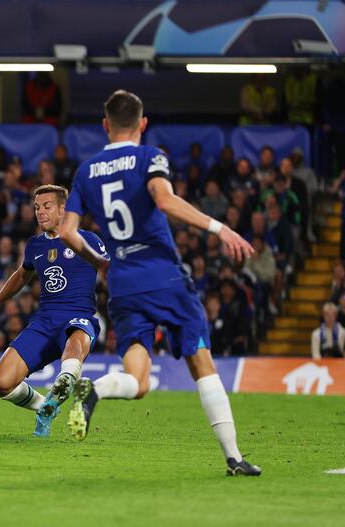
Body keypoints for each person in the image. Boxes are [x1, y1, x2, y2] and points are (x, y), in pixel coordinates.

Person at [59, 89, 261, 476]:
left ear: (105, 125)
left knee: (139, 380)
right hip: (164, 276)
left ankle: (97, 389)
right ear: (142, 124)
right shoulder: (150, 157)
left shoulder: (85, 171)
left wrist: (100, 262)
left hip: (122, 282)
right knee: (201, 361)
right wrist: (220, 228)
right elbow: (165, 201)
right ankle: (234, 457)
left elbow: (69, 232)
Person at [0, 185, 105, 438]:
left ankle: (66, 379)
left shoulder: (87, 240)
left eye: (46, 206)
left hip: (79, 317)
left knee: (76, 341)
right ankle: (46, 406)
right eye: (36, 207)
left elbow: (111, 271)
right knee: (1, 384)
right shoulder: (35, 245)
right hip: (45, 321)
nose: (40, 212)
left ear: (63, 210)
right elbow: (22, 275)